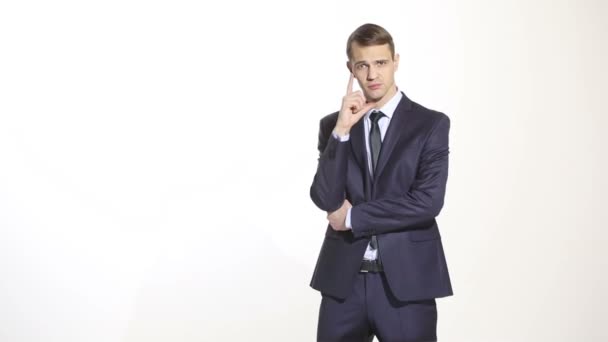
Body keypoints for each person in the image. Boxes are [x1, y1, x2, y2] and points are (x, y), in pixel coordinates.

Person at [309, 23, 453, 342]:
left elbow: (427, 202)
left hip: (406, 283)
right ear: (351, 69)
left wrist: (352, 217)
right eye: (363, 65)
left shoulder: (430, 125)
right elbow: (324, 197)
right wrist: (342, 130)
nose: (373, 74)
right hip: (343, 284)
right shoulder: (333, 126)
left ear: (395, 62)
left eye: (381, 63)